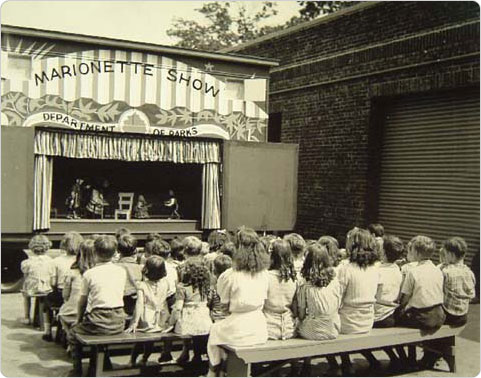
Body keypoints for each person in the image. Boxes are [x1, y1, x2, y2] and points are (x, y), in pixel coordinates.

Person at [207, 227, 270, 377]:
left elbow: (224, 304)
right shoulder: (264, 274)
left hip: (238, 326)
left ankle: (212, 371)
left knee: (215, 332)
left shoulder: (229, 275)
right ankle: (224, 369)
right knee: (221, 330)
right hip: (259, 327)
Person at [68, 235, 127, 376]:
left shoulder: (89, 274)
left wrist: (78, 320)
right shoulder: (121, 271)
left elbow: (82, 302)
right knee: (98, 335)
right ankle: (104, 363)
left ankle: (77, 370)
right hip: (118, 320)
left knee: (72, 334)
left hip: (98, 319)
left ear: (94, 252)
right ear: (115, 253)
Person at [335, 228, 380, 375]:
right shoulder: (376, 267)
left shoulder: (345, 268)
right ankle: (367, 360)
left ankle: (345, 363)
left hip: (348, 321)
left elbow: (338, 297)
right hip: (367, 320)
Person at [295, 243, 343, 376]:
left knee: (302, 324)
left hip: (313, 331)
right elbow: (338, 305)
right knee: (317, 321)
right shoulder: (335, 281)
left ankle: (305, 365)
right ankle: (329, 363)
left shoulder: (304, 283)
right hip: (333, 328)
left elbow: (301, 312)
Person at [361, 235, 405, 369]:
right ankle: (396, 358)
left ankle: (373, 361)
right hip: (391, 314)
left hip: (379, 316)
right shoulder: (397, 269)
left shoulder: (378, 271)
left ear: (383, 252)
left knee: (357, 329)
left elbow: (376, 297)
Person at [126, 256, 170, 367]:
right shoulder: (165, 283)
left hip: (147, 318)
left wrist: (135, 322)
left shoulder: (142, 285)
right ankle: (145, 358)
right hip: (161, 319)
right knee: (150, 341)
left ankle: (132, 360)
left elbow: (140, 304)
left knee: (140, 341)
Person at [397, 235, 445, 330]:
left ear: (416, 252)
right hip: (439, 315)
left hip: (422, 317)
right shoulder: (437, 270)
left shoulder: (413, 271)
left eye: (410, 250)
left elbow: (404, 299)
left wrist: (400, 308)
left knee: (395, 317)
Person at [169, 259, 212, 367]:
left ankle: (186, 351)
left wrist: (171, 322)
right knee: (199, 333)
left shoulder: (182, 287)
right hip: (204, 319)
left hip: (188, 319)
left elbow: (178, 308)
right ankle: (197, 355)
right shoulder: (206, 287)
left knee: (184, 327)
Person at [44, 232, 84, 341]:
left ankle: (47, 331)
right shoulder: (82, 261)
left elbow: (53, 282)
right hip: (78, 294)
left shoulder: (56, 261)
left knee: (46, 301)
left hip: (61, 293)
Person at [58, 239, 96, 345]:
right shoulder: (99, 272)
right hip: (93, 310)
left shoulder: (72, 272)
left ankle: (71, 339)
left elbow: (65, 295)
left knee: (62, 314)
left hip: (74, 309)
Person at [264, 239, 297, 341]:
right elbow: (295, 308)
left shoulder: (265, 277)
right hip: (289, 328)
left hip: (268, 327)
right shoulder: (293, 279)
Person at [440, 237, 476, 326]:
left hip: (447, 316)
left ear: (450, 254)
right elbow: (472, 295)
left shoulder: (445, 271)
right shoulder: (469, 272)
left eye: (445, 254)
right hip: (463, 316)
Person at [21, 235, 55, 326]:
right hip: (47, 288)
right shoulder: (51, 261)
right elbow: (52, 276)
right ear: (47, 247)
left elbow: (25, 277)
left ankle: (27, 316)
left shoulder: (27, 262)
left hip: (32, 289)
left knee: (25, 294)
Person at [116, 234, 143, 317]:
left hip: (119, 306)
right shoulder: (141, 269)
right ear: (135, 251)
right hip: (135, 306)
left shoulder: (114, 268)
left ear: (118, 251)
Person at [207, 255, 232, 323]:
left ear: (215, 270)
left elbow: (208, 302)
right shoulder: (232, 286)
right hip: (230, 319)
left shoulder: (214, 288)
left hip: (216, 319)